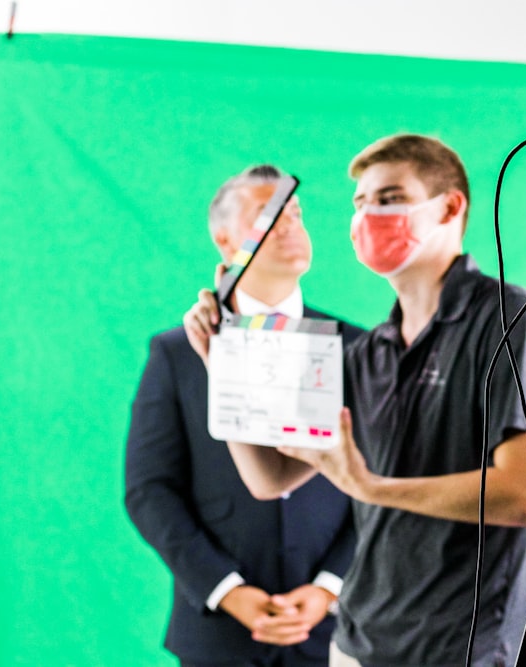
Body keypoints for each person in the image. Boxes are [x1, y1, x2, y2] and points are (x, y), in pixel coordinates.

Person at [185, 135, 526, 666]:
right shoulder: (369, 352)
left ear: (450, 206)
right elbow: (270, 477)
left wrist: (373, 487)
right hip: (358, 644)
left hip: (463, 650)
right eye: (360, 203)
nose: (369, 215)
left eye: (389, 198)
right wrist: (220, 364)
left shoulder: (506, 318)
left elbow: (525, 495)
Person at [125, 164, 362, 667]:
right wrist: (227, 590)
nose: (289, 226)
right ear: (226, 238)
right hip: (218, 634)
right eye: (270, 215)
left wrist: (328, 587)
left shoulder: (360, 349)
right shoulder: (177, 352)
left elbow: (381, 479)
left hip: (340, 630)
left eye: (295, 213)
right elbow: (149, 488)